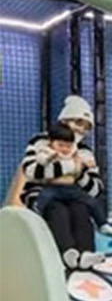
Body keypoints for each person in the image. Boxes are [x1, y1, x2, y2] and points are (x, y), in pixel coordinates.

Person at [6, 101, 106, 268]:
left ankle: (86, 253)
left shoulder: (85, 152)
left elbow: (96, 188)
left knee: (80, 209)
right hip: (43, 195)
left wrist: (80, 172)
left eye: (87, 127)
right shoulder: (40, 142)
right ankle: (65, 252)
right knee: (57, 210)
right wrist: (71, 167)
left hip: (72, 194)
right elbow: (31, 171)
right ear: (64, 120)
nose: (81, 129)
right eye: (78, 122)